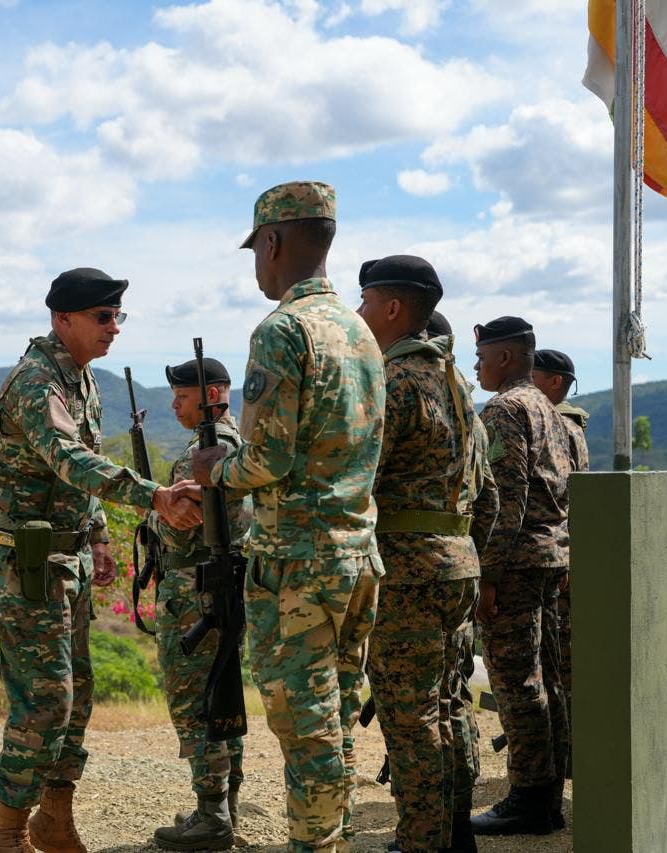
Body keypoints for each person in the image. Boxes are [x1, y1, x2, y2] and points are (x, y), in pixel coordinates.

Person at [0, 267, 203, 853]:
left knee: (76, 696)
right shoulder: (35, 382)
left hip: (68, 557)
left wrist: (99, 534)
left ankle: (53, 822)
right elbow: (69, 460)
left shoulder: (81, 379)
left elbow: (86, 461)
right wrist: (152, 494)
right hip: (29, 562)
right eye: (103, 318)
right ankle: (5, 837)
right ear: (63, 319)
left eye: (117, 317)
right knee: (46, 701)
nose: (114, 329)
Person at [190, 181, 386, 853]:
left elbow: (266, 460)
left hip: (299, 565)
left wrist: (214, 468)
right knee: (333, 720)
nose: (257, 263)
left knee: (307, 729)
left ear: (272, 243)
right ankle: (332, 838)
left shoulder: (282, 330)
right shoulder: (361, 331)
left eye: (257, 248)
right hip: (358, 554)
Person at [356, 256, 498, 853]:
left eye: (365, 303)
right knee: (450, 703)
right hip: (457, 563)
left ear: (392, 309)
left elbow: (357, 477)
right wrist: (471, 555)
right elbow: (486, 493)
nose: (358, 314)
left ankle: (422, 840)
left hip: (408, 571)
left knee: (409, 715)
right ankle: (454, 828)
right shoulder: (457, 386)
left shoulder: (392, 382)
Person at [469, 317, 572, 837]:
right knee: (546, 680)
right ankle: (547, 797)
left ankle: (529, 798)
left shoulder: (507, 409)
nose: (477, 366)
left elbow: (503, 500)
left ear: (506, 357)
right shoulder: (546, 409)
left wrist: (486, 573)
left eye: (483, 357)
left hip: (515, 564)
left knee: (516, 683)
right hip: (547, 559)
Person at [149, 356, 252, 852]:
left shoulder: (207, 453)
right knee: (222, 694)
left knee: (197, 703)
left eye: (183, 397)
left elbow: (179, 521)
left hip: (195, 592)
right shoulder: (237, 446)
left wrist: (158, 506)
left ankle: (212, 815)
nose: (174, 405)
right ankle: (222, 806)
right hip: (220, 588)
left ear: (212, 396)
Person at [531, 348, 590, 789]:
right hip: (563, 553)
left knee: (558, 665)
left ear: (554, 382)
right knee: (562, 663)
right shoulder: (570, 425)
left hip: (553, 553)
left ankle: (562, 756)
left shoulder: (558, 426)